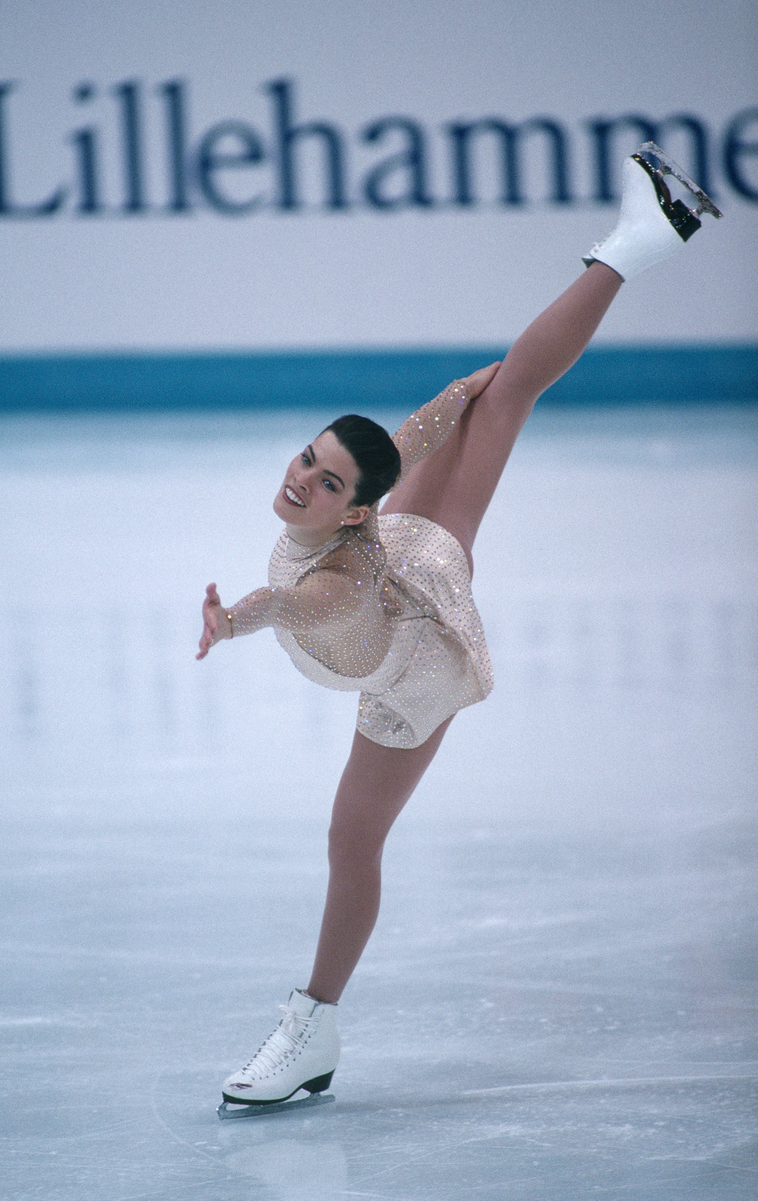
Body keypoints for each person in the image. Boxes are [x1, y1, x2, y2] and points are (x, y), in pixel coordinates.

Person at [196, 144, 721, 1112]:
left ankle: (310, 1029)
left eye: (322, 480)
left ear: (353, 512)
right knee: (502, 391)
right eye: (305, 461)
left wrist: (229, 621)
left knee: (350, 839)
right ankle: (644, 235)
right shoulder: (363, 504)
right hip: (409, 558)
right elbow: (409, 440)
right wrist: (469, 392)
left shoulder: (335, 581)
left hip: (414, 655)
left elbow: (289, 604)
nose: (298, 480)